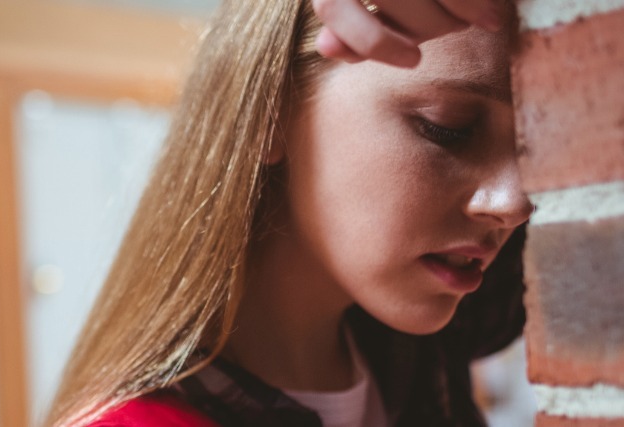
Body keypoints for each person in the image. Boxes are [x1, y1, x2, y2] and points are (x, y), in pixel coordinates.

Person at [44, 0, 532, 426]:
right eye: (447, 127)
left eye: (533, 148)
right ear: (271, 109)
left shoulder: (416, 356)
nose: (515, 204)